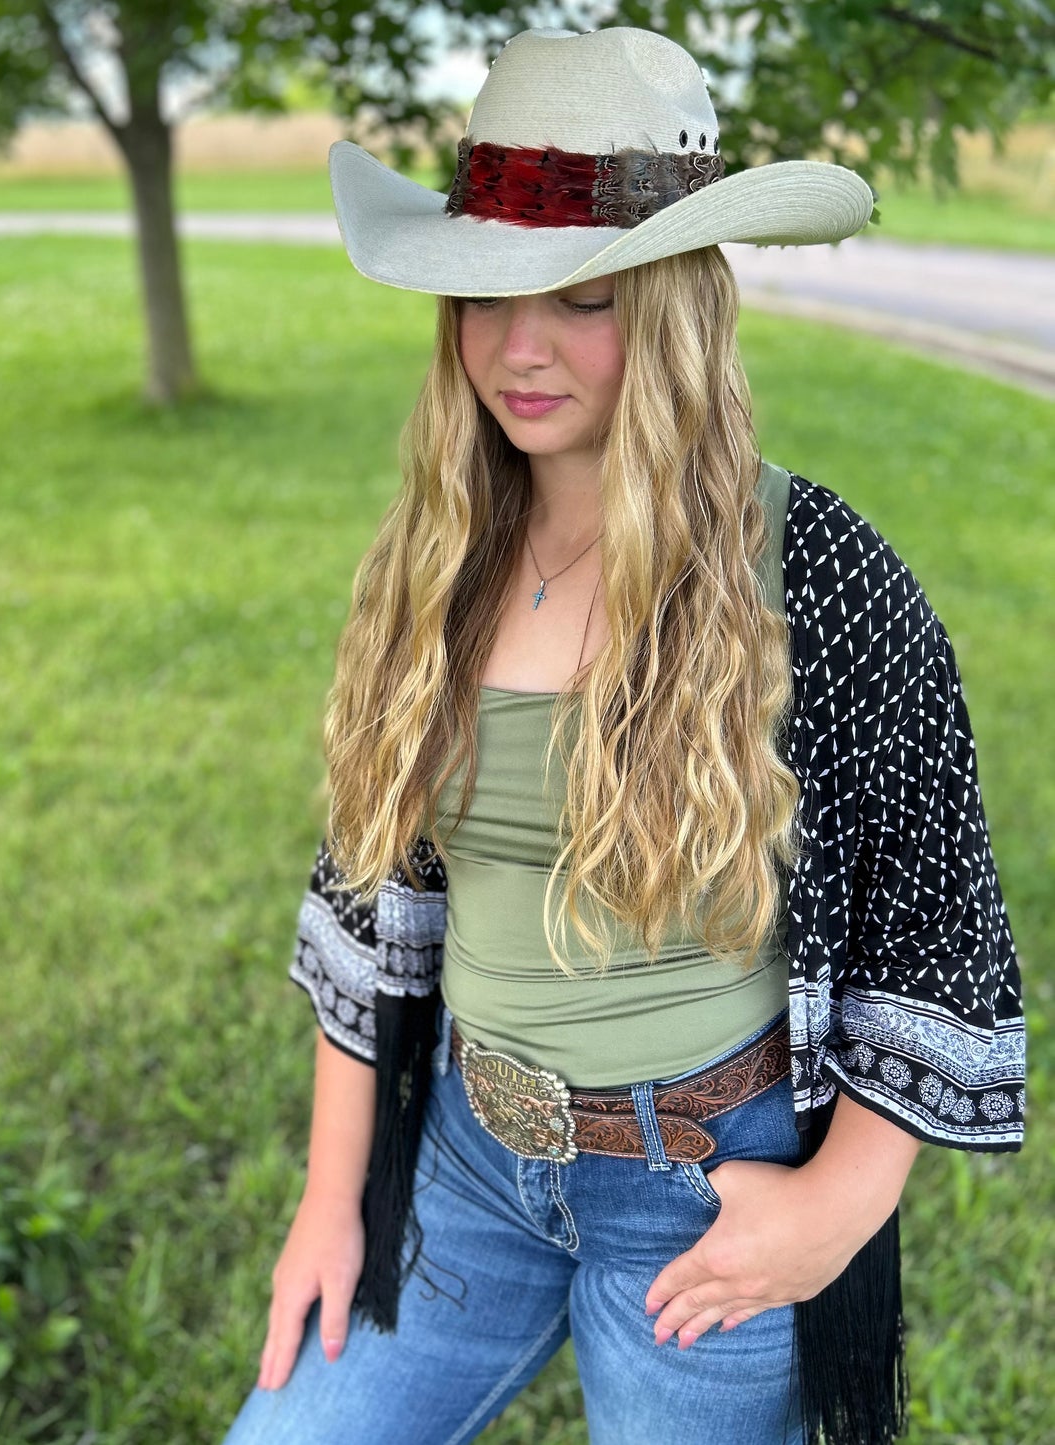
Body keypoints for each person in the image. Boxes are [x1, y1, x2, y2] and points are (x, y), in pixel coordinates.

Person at [222, 25, 1025, 1445]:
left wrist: (832, 1210)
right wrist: (327, 1203)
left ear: (670, 308)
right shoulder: (440, 555)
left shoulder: (816, 573)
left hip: (700, 1197)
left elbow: (932, 906)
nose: (515, 349)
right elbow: (369, 897)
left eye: (580, 297)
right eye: (483, 295)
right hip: (465, 1164)